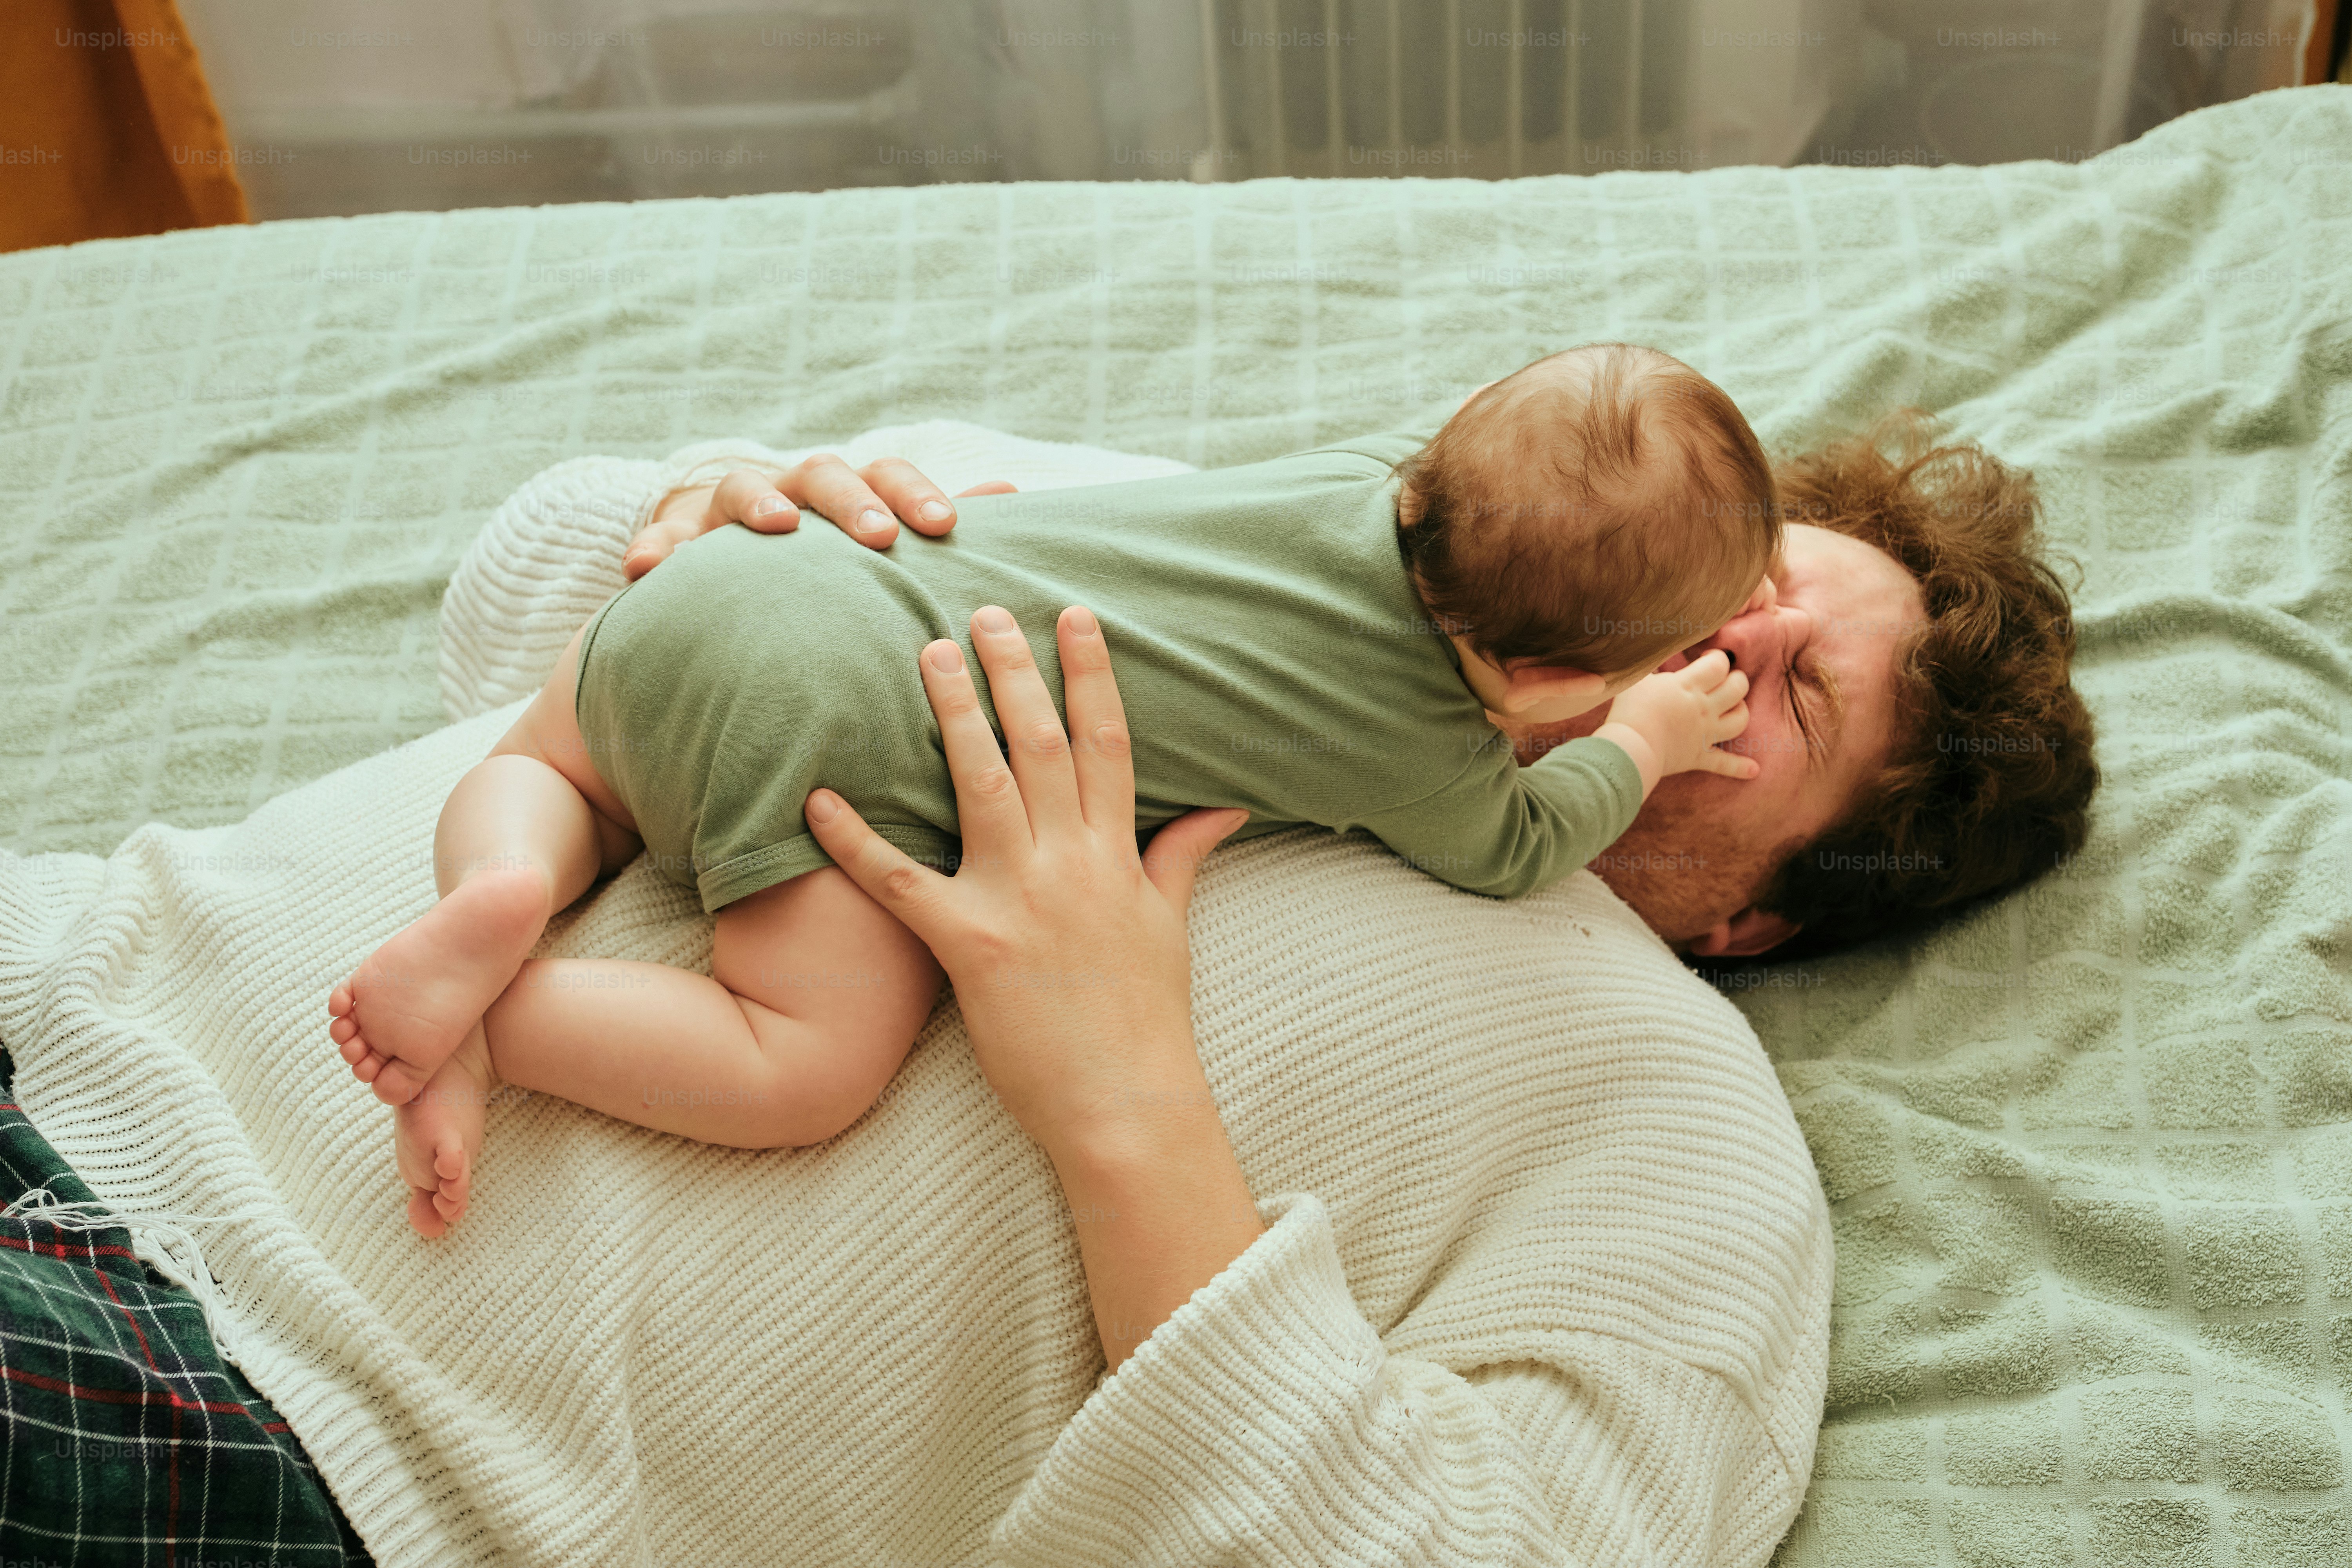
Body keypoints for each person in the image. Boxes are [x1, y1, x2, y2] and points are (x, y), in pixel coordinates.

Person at [328, 343, 1795, 1234]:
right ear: (1546, 688)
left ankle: (503, 894)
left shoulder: (1366, 471)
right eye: (1696, 646)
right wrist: (1645, 742)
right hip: (839, 716)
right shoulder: (1425, 750)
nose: (1722, 661)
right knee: (804, 1064)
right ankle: (508, 1020)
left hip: (755, 585)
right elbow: (1518, 847)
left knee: (544, 769)